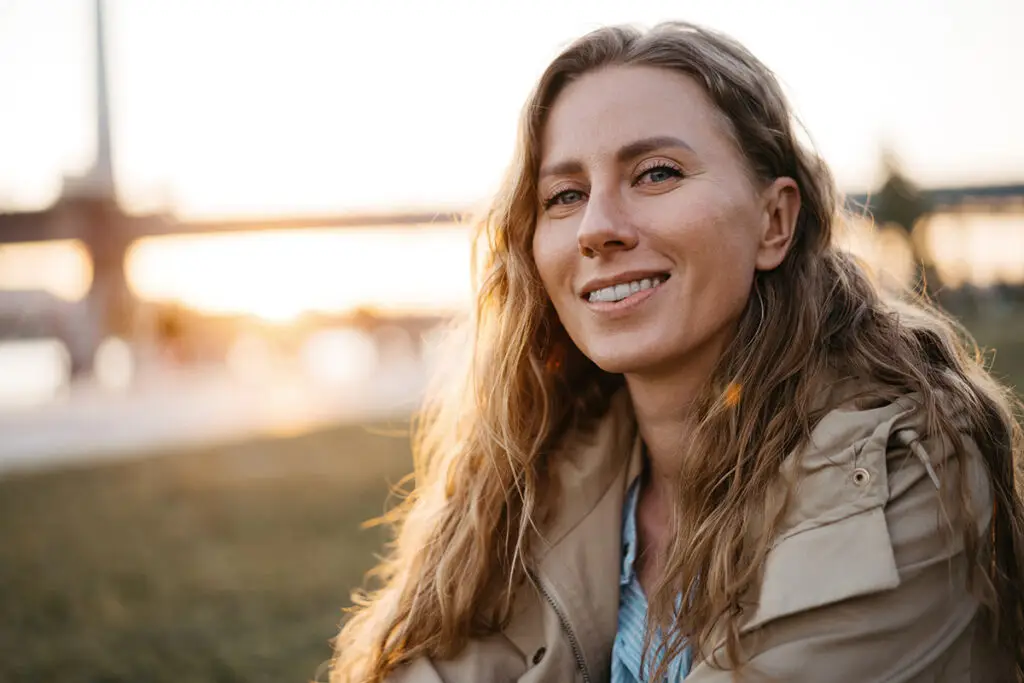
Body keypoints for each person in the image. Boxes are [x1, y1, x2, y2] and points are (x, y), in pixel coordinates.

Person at [329, 21, 1024, 682]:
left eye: (656, 174)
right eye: (565, 195)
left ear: (774, 221)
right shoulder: (542, 474)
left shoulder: (904, 466)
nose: (597, 228)